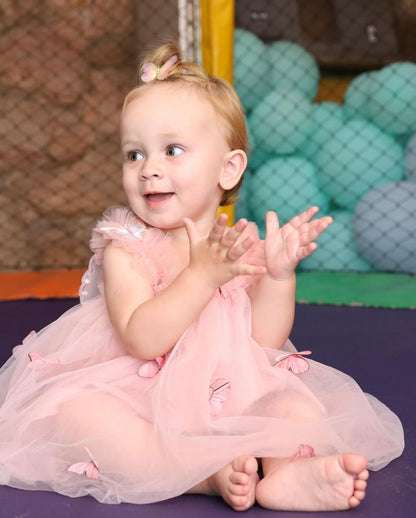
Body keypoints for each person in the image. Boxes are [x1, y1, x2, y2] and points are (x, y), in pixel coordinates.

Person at [0, 42, 404, 512]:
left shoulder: (235, 246)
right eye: (134, 154)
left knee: (298, 410)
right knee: (80, 418)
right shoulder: (126, 247)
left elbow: (264, 341)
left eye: (172, 150)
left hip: (229, 396)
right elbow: (141, 338)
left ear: (228, 169)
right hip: (138, 399)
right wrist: (199, 277)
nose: (149, 169)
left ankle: (289, 473)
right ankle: (205, 475)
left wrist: (277, 277)